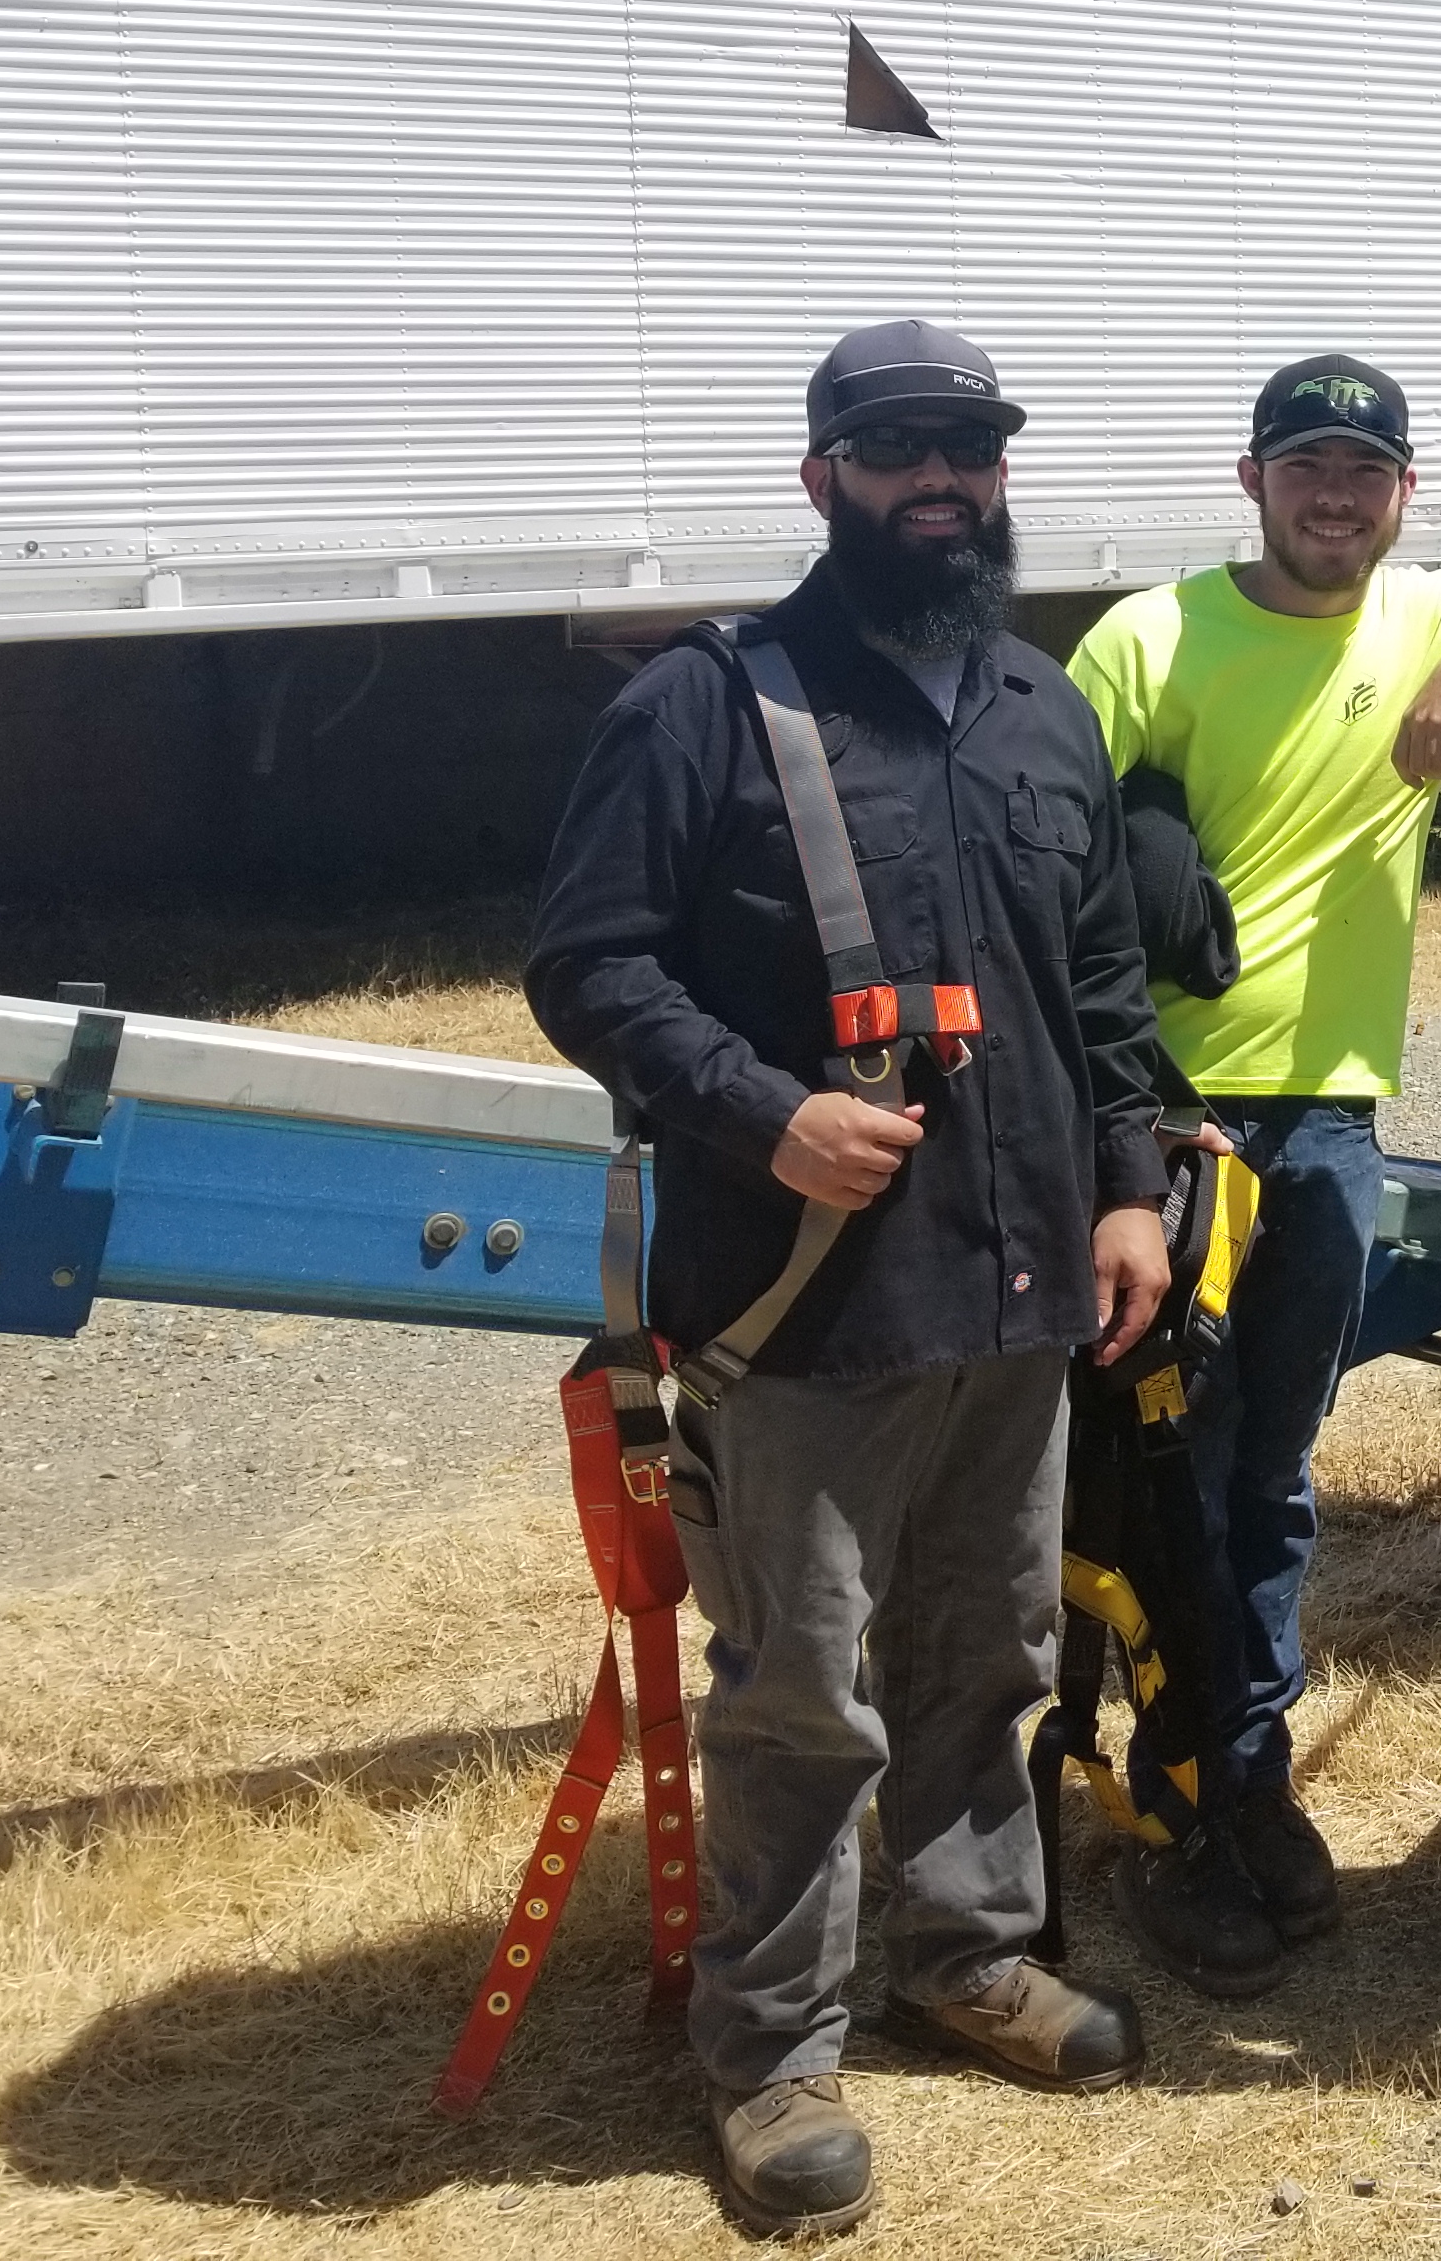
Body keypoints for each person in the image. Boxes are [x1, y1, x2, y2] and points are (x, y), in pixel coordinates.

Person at [530, 320, 1174, 2241]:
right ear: (821, 474)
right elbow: (588, 966)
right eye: (899, 448)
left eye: (971, 446)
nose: (942, 480)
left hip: (1022, 1286)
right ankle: (770, 2051)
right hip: (801, 1300)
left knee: (993, 1650)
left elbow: (1107, 993)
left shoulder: (1046, 708)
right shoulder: (705, 707)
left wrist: (1130, 1188)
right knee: (806, 1689)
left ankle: (965, 1951)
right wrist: (762, 1114)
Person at [1064, 352, 1441, 1983]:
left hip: (1330, 1126)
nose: (1333, 494)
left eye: (1363, 470)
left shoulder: (1423, 619)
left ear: (1403, 495)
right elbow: (1024, 836)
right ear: (1252, 479)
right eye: (1305, 466)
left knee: (1271, 1475)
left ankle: (1251, 1776)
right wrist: (1134, 842)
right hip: (1169, 1121)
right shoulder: (1147, 640)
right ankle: (1173, 1808)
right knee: (1163, 1481)